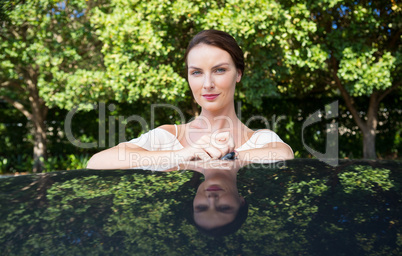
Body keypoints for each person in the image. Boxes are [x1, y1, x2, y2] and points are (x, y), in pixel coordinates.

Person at [87, 29, 293, 169]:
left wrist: (230, 156)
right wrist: (183, 154)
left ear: (238, 74)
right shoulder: (168, 137)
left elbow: (285, 154)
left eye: (219, 70)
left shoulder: (259, 139)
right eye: (196, 72)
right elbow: (96, 162)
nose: (207, 84)